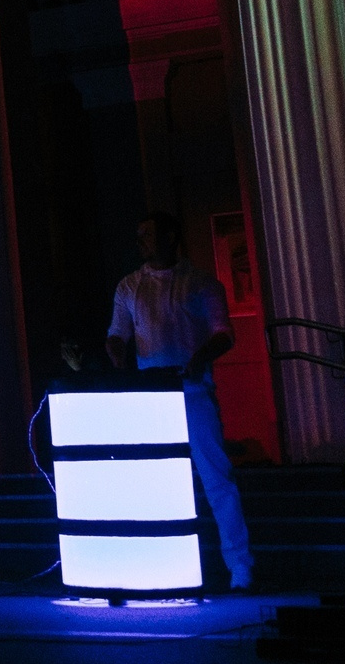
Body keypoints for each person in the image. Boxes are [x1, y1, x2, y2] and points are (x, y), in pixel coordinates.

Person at [107, 213, 253, 590]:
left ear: (171, 236)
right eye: (138, 235)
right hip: (150, 398)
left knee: (216, 479)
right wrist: (116, 351)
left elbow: (224, 332)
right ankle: (159, 565)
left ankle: (240, 567)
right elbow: (118, 332)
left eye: (148, 234)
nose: (141, 241)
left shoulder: (202, 283)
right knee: (153, 483)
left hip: (193, 392)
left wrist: (202, 356)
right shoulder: (128, 286)